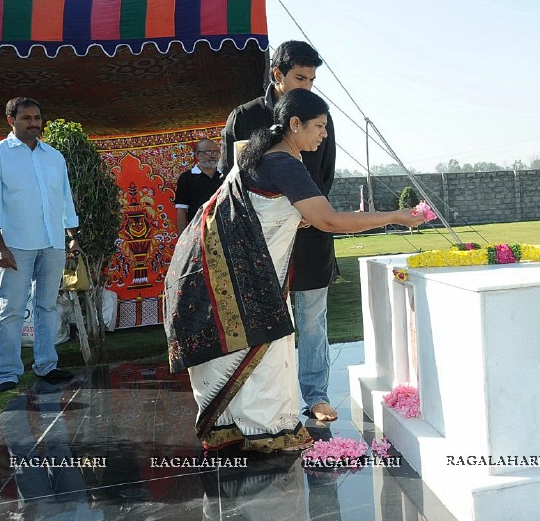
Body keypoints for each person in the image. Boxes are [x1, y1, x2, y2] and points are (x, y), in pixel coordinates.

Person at [165, 89, 423, 453]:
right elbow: (330, 221)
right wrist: (395, 217)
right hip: (243, 275)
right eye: (319, 126)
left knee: (243, 347)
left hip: (222, 267)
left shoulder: (260, 153)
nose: (324, 135)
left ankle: (234, 426)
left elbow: (261, 210)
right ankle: (265, 430)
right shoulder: (284, 162)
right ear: (294, 124)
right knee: (263, 345)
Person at [221, 41, 341, 423]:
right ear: (277, 75)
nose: (306, 86)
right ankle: (267, 400)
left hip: (309, 234)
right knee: (263, 318)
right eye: (299, 78)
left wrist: (307, 212)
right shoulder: (243, 117)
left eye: (311, 79)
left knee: (310, 316)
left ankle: (316, 394)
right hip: (260, 240)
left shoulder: (320, 115)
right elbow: (231, 178)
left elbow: (324, 175)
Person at [0, 98, 79, 392]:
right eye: (26, 118)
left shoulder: (54, 156)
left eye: (37, 117)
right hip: (16, 245)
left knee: (47, 306)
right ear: (11, 120)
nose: (34, 123)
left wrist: (72, 236)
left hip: (52, 244)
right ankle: (6, 373)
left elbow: (65, 200)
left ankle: (47, 365)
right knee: (11, 309)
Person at [173, 138, 223, 234]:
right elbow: (181, 210)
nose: (213, 156)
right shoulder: (186, 178)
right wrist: (182, 239)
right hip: (199, 232)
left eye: (215, 152)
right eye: (208, 152)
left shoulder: (226, 175)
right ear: (197, 155)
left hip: (225, 229)